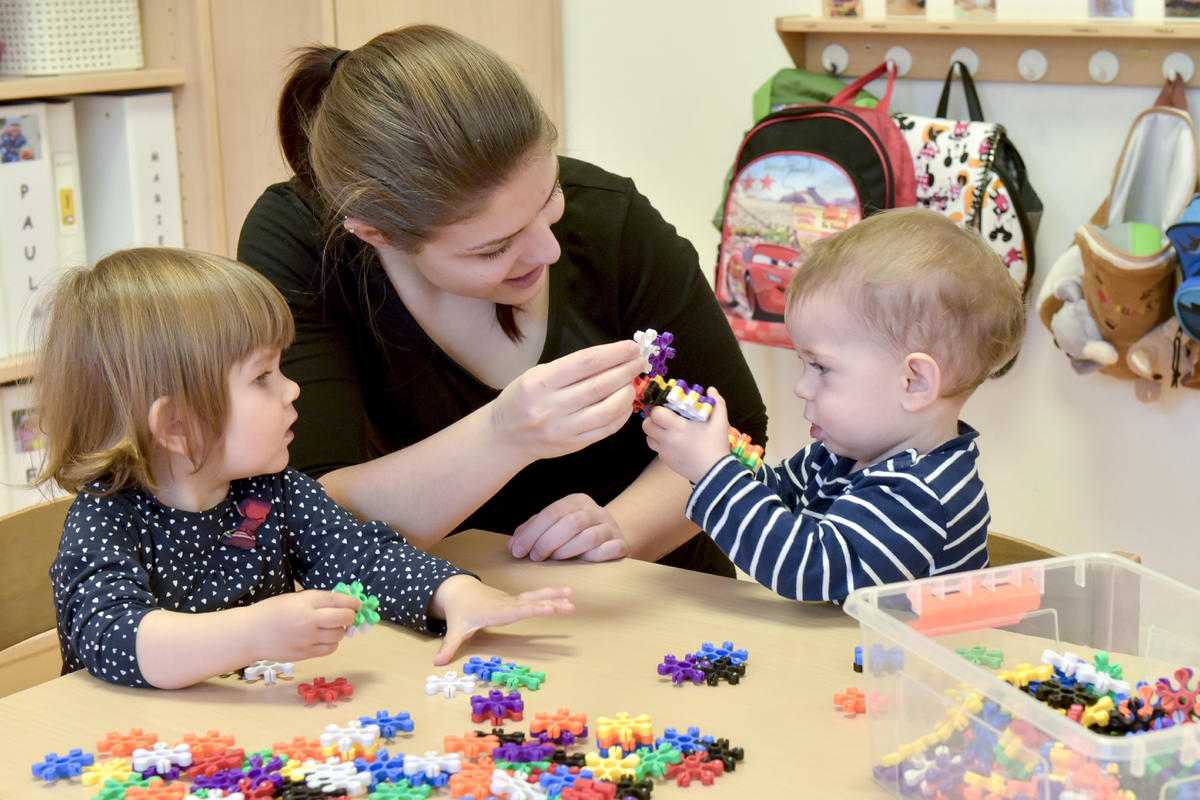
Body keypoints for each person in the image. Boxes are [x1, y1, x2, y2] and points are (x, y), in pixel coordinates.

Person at [236, 25, 767, 575]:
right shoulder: (301, 241)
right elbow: (307, 512)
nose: (549, 250)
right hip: (438, 610)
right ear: (378, 235)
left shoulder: (611, 217)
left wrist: (622, 533)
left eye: (550, 197)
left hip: (657, 598)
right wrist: (503, 435)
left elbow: (739, 431)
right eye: (495, 249)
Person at [37, 248, 574, 690]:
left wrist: (456, 594)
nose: (292, 389)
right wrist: (253, 633)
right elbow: (115, 638)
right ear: (177, 424)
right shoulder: (105, 521)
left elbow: (362, 558)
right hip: (124, 754)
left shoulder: (271, 493)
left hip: (244, 738)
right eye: (262, 377)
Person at [643, 208, 1025, 603]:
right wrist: (718, 456)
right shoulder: (839, 455)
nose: (801, 388)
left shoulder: (925, 495)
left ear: (914, 382)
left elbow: (807, 568)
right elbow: (778, 501)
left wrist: (714, 474)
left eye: (821, 367)